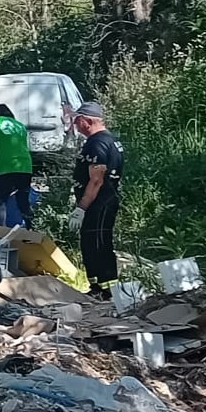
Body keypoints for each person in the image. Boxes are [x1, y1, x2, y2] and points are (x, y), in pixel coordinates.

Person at [68, 101, 125, 298]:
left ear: (87, 121)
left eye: (77, 120)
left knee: (98, 244)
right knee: (90, 243)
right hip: (102, 200)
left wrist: (81, 208)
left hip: (98, 202)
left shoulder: (97, 143)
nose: (75, 124)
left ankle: (106, 289)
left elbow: (96, 179)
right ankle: (96, 287)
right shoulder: (109, 140)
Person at [0, 103, 35, 227]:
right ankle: (31, 228)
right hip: (25, 165)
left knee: (1, 201)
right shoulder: (20, 125)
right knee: (23, 200)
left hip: (7, 166)